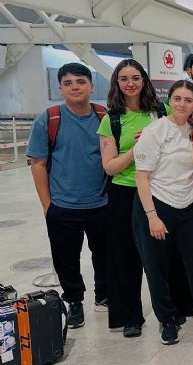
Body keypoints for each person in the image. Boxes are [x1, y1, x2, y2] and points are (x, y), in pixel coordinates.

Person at [132, 80, 193, 350]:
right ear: (169, 101)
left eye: (188, 100)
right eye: (177, 99)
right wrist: (152, 216)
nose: (182, 104)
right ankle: (168, 320)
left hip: (188, 205)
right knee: (157, 268)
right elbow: (142, 176)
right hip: (157, 205)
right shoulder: (155, 131)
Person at [27, 63, 108, 329]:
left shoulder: (102, 115)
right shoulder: (49, 118)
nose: (75, 87)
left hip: (101, 202)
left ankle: (104, 295)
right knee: (66, 258)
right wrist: (47, 205)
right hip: (63, 205)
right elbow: (38, 163)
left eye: (81, 81)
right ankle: (74, 301)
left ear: (91, 86)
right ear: (60, 88)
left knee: (105, 255)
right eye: (69, 83)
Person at [97, 59, 170, 337]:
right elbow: (110, 167)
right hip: (124, 193)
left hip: (156, 190)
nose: (130, 83)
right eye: (124, 78)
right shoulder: (111, 120)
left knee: (160, 256)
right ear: (117, 82)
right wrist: (136, 148)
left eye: (135, 77)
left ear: (144, 81)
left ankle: (167, 312)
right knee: (124, 258)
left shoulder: (160, 112)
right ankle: (130, 317)